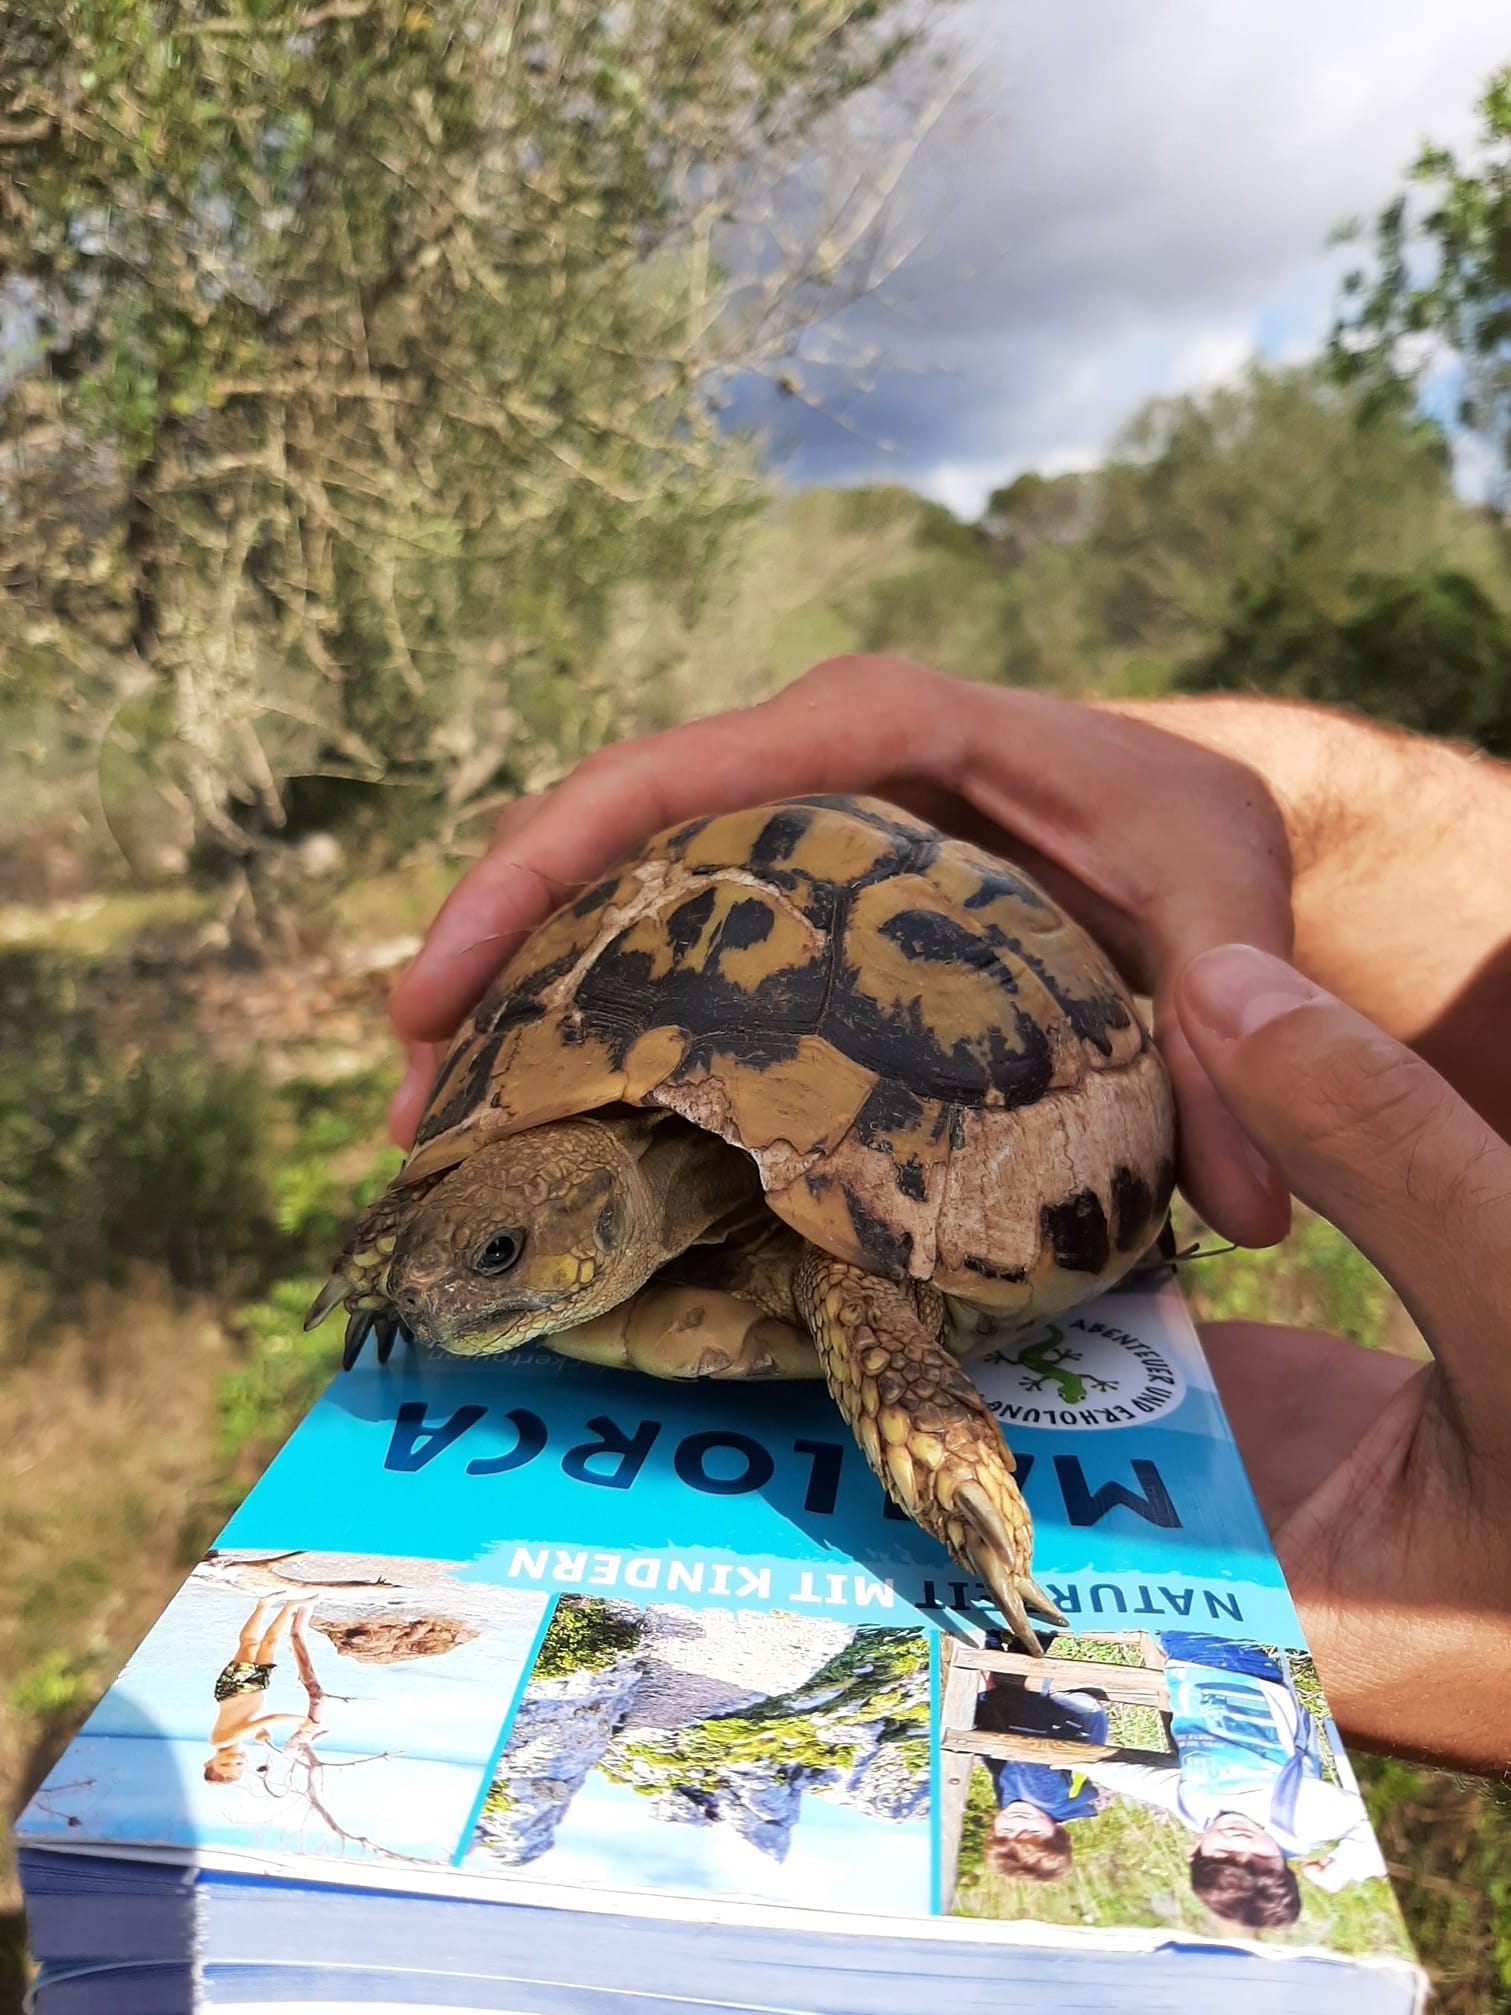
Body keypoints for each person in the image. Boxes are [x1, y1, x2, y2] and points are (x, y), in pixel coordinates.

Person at [385, 656, 1511, 1773]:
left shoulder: (833, 1263)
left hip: (937, 1067)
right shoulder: (535, 1179)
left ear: (589, 1227)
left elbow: (852, 1269)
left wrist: (953, 1476)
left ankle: (987, 1533)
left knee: (851, 1278)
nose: (441, 1289)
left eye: (499, 1256)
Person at [1078, 1631, 1385, 1930]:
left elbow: (1145, 1782)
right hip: (1240, 1669)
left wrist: (1084, 1765)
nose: (1240, 1843)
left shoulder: (1197, 1812)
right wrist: (1348, 1865)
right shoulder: (1299, 1821)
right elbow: (1369, 1822)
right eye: (1260, 1858)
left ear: (1195, 1850)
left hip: (1188, 1671)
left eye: (1224, 1855)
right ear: (1281, 1859)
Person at [972, 1669, 1110, 1882]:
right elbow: (1025, 1743)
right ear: (1058, 1830)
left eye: (1006, 1830)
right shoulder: (1046, 1797)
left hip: (1050, 1725)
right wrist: (985, 1697)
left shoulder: (1018, 1806)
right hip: (1075, 1714)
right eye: (1034, 1832)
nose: (1018, 1822)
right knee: (978, 1689)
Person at [205, 1595, 319, 1785]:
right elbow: (248, 1721)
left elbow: (270, 1719)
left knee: (249, 1645)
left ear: (210, 1761)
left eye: (226, 1763)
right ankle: (289, 1606)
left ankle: (263, 1604)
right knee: (270, 1643)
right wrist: (262, 1733)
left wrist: (303, 1722)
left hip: (233, 1689)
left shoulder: (220, 1741)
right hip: (255, 1688)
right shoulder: (240, 1739)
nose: (234, 1759)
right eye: (239, 1763)